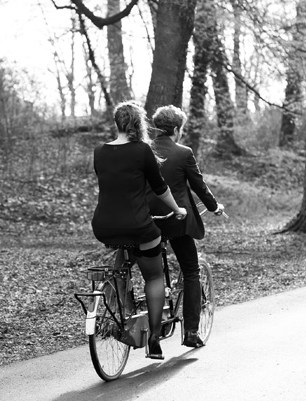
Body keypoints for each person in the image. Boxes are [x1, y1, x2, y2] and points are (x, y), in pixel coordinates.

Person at [91, 101, 187, 359]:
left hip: (104, 225)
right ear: (138, 123)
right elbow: (159, 187)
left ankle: (118, 310)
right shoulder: (142, 150)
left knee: (122, 259)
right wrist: (177, 210)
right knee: (154, 276)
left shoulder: (99, 151)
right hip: (138, 225)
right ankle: (154, 340)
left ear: (117, 123)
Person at [148, 105, 225, 348]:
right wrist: (214, 207)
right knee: (191, 271)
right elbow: (199, 186)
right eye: (182, 128)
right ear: (175, 129)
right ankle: (191, 332)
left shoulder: (144, 151)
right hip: (177, 219)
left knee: (153, 274)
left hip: (148, 221)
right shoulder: (183, 153)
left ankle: (154, 324)